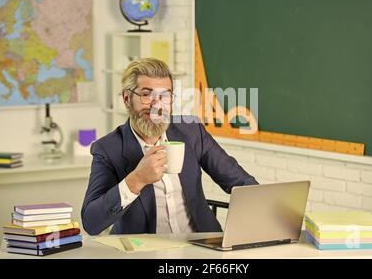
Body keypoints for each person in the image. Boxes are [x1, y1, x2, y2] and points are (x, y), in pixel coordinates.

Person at [81, 58, 258, 235]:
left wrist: (274, 211)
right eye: (146, 94)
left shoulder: (191, 131)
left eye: (165, 95)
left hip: (201, 245)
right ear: (127, 99)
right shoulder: (107, 149)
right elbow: (91, 222)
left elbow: (240, 181)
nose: (157, 105)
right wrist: (137, 179)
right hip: (144, 251)